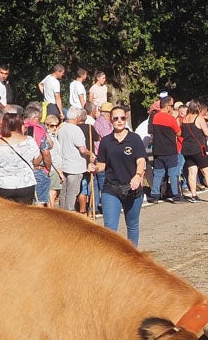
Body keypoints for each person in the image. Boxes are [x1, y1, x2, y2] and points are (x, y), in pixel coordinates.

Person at [95, 106, 147, 246]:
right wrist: (94, 168)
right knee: (110, 229)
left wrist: (137, 176)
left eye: (122, 118)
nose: (119, 121)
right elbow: (102, 164)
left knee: (132, 225)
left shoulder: (135, 139)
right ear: (111, 120)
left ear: (126, 118)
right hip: (112, 189)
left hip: (132, 188)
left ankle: (132, 257)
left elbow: (141, 160)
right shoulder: (106, 141)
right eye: (116, 118)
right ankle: (112, 258)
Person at [0, 107, 39, 205]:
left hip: (5, 185)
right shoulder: (29, 141)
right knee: (25, 215)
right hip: (26, 184)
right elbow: (37, 160)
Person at [180, 101, 208, 203]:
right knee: (207, 171)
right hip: (199, 148)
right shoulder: (198, 118)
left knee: (192, 172)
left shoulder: (185, 119)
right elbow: (207, 133)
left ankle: (194, 195)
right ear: (198, 108)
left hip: (187, 149)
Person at [148, 95, 183, 202]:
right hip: (170, 150)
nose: (172, 108)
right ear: (167, 106)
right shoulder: (170, 118)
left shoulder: (155, 117)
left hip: (158, 150)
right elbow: (178, 132)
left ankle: (154, 195)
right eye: (171, 106)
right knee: (173, 173)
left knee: (158, 173)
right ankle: (176, 195)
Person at [54, 107, 90, 210]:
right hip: (75, 167)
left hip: (64, 165)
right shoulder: (76, 129)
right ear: (78, 117)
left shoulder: (62, 128)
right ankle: (69, 214)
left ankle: (62, 214)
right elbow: (82, 149)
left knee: (64, 193)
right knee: (72, 193)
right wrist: (90, 153)